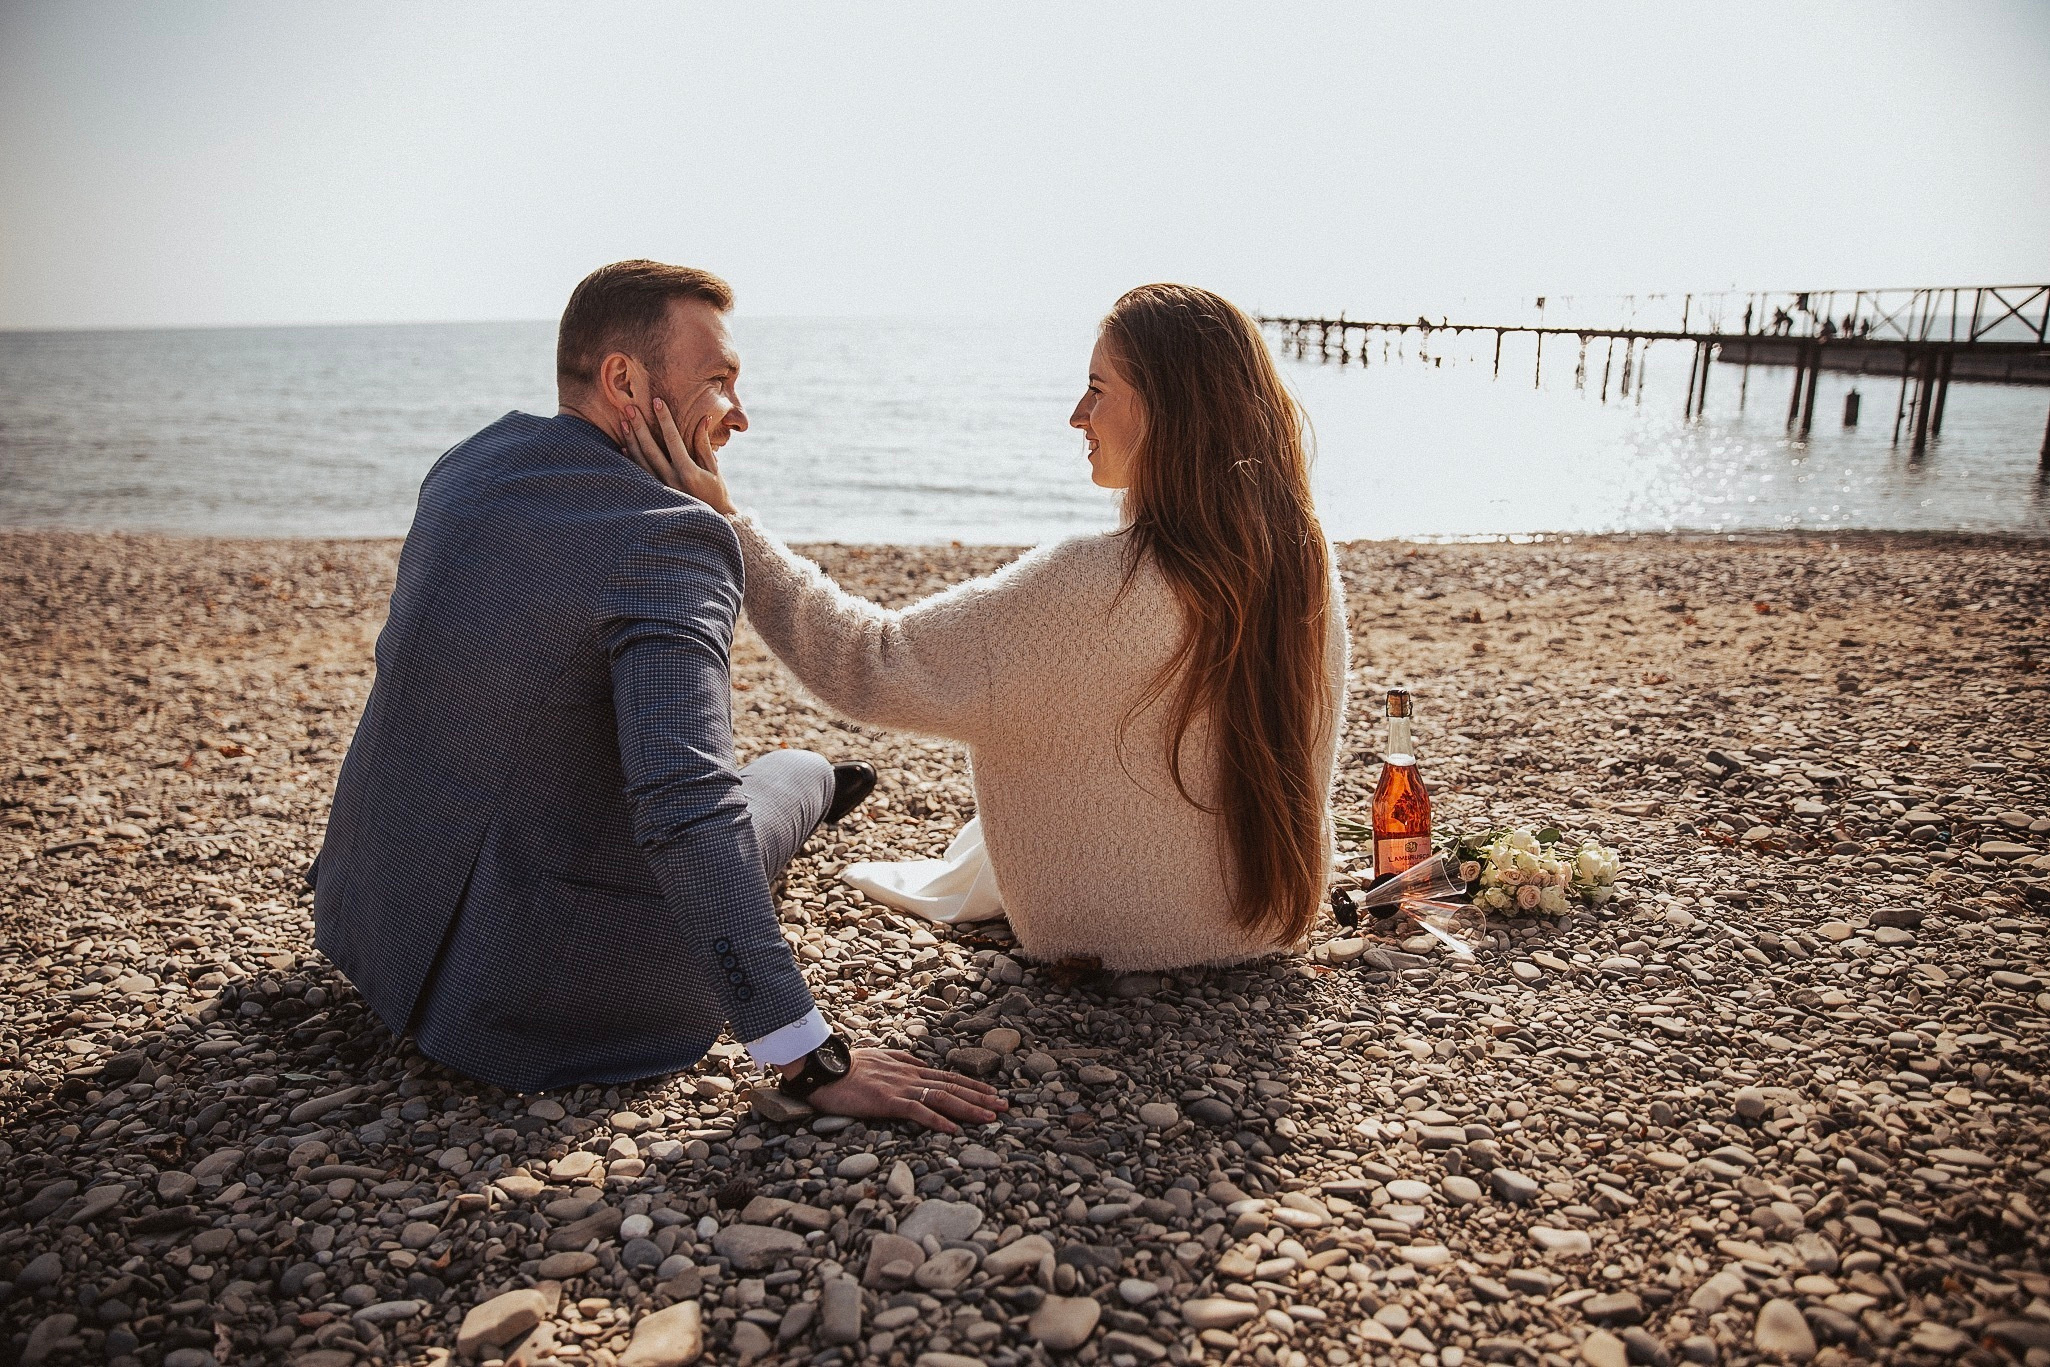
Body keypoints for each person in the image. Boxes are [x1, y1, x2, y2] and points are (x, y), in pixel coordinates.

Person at [313, 260, 1003, 1131]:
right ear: (624, 380)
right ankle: (817, 780)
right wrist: (806, 1053)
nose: (741, 414)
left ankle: (804, 775)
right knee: (772, 783)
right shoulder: (670, 539)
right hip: (531, 1002)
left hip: (374, 930)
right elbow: (683, 809)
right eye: (719, 381)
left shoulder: (467, 467)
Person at [623, 283, 1349, 971]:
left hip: (1104, 938)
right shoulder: (1304, 574)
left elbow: (868, 663)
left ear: (1166, 412)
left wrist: (728, 524)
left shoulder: (1083, 588)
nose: (1076, 414)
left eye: (1097, 391)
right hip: (1264, 926)